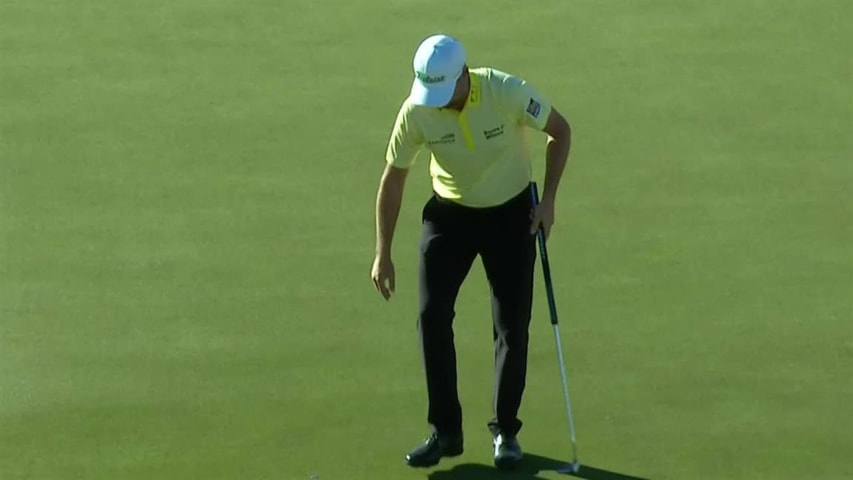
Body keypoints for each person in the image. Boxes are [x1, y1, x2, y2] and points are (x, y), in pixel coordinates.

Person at [370, 34, 572, 470]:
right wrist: (382, 251)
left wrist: (549, 201)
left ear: (464, 75)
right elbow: (394, 178)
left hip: (512, 216)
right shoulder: (418, 108)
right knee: (431, 315)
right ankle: (445, 431)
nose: (437, 103)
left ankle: (506, 432)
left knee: (511, 328)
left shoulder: (505, 91)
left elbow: (560, 131)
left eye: (444, 92)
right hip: (449, 217)